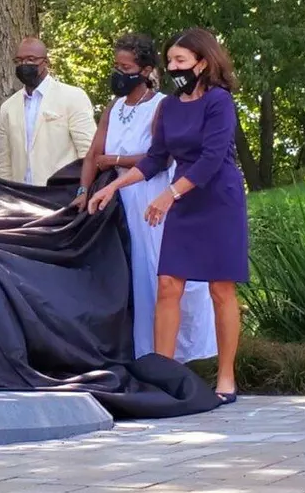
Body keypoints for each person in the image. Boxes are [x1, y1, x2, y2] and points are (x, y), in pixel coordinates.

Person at [88, 28, 248, 404]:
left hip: (217, 201)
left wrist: (169, 195)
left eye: (181, 61)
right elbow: (157, 157)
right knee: (167, 285)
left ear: (202, 62)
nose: (174, 67)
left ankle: (226, 378)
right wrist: (114, 186)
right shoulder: (172, 106)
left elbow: (211, 159)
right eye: (171, 60)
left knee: (220, 289)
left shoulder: (220, 101)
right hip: (181, 200)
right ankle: (165, 374)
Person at [73, 34, 216, 362]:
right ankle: (141, 352)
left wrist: (118, 162)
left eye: (126, 68)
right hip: (115, 196)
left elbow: (160, 157)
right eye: (116, 66)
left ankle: (179, 353)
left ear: (146, 70)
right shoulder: (113, 107)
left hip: (149, 193)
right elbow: (94, 153)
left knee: (157, 270)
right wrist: (83, 191)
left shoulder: (161, 105)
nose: (118, 73)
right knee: (133, 272)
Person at [0, 37, 96, 186]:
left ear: (46, 62)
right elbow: (5, 162)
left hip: (62, 193)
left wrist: (84, 190)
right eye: (19, 60)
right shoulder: (8, 107)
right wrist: (4, 194)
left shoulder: (73, 97)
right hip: (21, 195)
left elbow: (88, 152)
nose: (25, 65)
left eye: (31, 59)